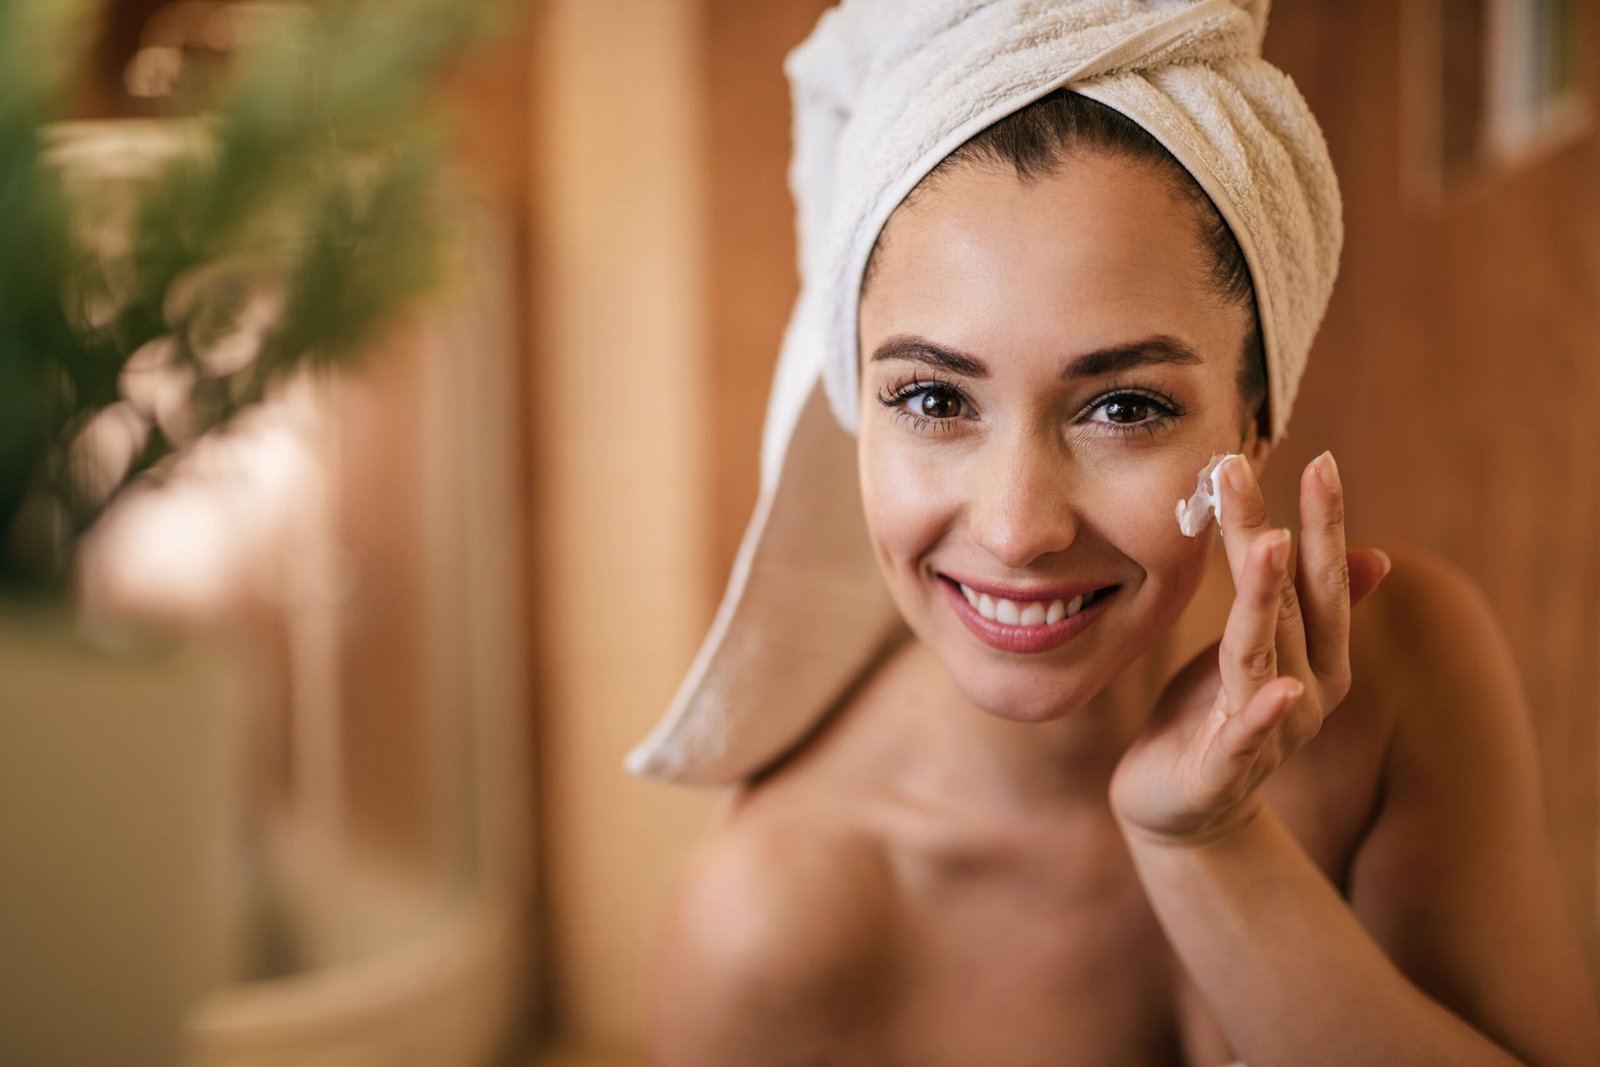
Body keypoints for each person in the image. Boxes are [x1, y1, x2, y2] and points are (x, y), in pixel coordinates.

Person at [628, 4, 1600, 1063]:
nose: (1016, 527)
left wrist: (1211, 845)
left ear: (1255, 419)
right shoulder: (774, 928)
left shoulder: (1406, 664)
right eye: (931, 398)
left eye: (1122, 407)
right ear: (855, 408)